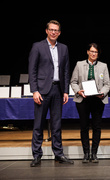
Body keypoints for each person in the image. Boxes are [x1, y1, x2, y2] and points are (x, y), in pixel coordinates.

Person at [28, 20, 73, 167]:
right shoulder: (38, 47)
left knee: (57, 124)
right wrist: (34, 90)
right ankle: (36, 155)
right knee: (38, 124)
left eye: (56, 30)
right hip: (42, 90)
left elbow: (66, 71)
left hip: (58, 90)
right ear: (46, 31)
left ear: (59, 33)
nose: (54, 32)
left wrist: (66, 90)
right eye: (51, 30)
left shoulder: (64, 48)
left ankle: (59, 154)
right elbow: (32, 70)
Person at [70, 43, 110, 163]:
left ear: (98, 54)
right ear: (88, 52)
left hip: (98, 100)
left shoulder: (103, 66)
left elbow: (107, 84)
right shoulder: (79, 64)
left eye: (96, 52)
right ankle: (86, 153)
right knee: (84, 126)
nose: (93, 54)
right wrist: (78, 91)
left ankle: (94, 153)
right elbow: (73, 82)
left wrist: (102, 93)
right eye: (92, 51)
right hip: (83, 99)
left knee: (97, 127)